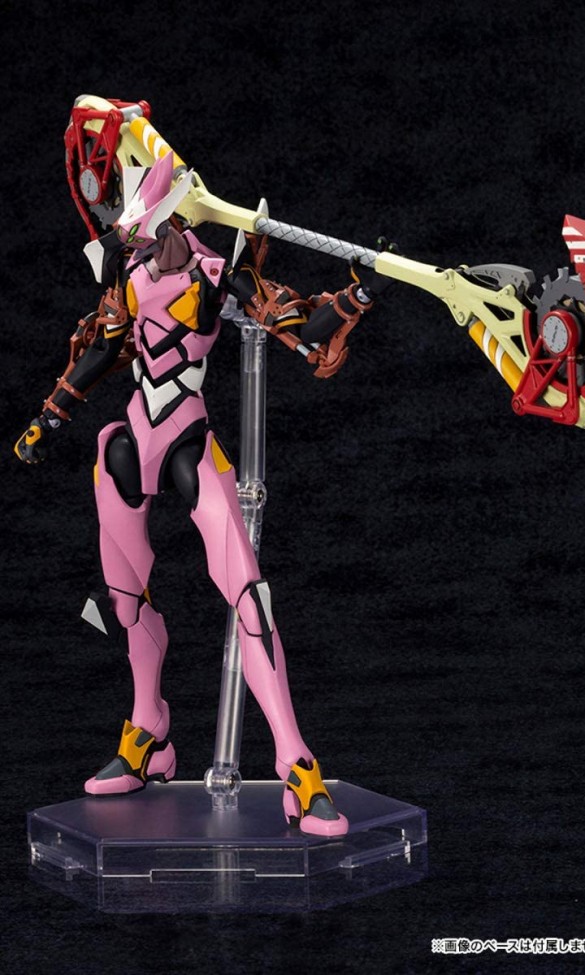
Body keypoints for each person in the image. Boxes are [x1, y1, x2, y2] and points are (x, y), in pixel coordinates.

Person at [15, 151, 392, 836]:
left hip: (190, 440)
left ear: (176, 221)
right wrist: (50, 417)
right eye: (135, 234)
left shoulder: (219, 275)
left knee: (249, 596)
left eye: (149, 230)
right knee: (124, 600)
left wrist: (355, 297)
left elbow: (297, 333)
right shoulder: (129, 273)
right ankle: (149, 735)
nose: (141, 244)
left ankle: (297, 766)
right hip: (130, 441)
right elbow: (101, 348)